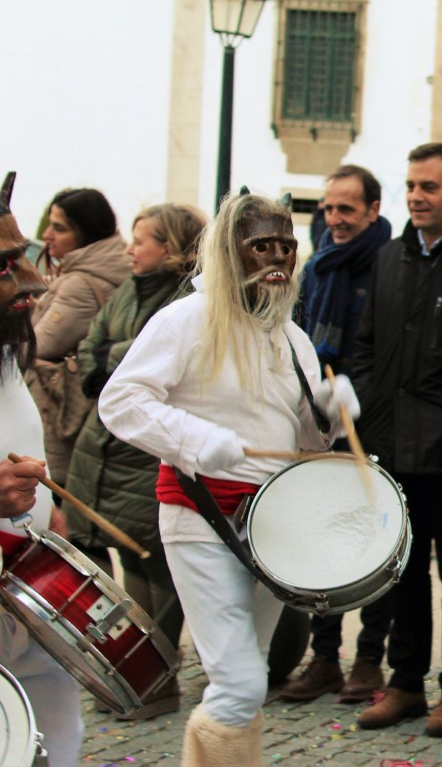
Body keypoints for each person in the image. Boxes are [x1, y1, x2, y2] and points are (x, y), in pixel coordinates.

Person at [98, 192, 350, 766]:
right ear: (229, 251)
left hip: (273, 525)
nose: (277, 258)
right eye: (262, 245)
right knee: (239, 684)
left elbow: (308, 444)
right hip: (200, 515)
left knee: (248, 677)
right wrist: (195, 441)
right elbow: (122, 402)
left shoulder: (291, 336)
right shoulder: (186, 318)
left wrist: (330, 414)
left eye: (287, 246)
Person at [351, 142, 442, 734]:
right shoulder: (389, 258)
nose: (416, 196)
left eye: (429, 187)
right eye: (411, 185)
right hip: (390, 438)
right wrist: (362, 397)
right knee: (402, 571)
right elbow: (367, 342)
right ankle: (406, 683)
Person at [64, 202, 206, 719]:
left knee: (158, 572)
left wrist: (112, 359)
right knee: (127, 570)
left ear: (167, 247)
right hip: (103, 444)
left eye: (141, 239)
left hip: (144, 451)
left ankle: (154, 678)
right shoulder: (127, 289)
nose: (130, 247)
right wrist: (112, 361)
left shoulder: (183, 300)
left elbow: (155, 364)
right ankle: (135, 675)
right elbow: (90, 350)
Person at [283, 164, 394, 705]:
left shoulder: (389, 264)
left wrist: (359, 391)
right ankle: (324, 656)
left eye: (346, 209)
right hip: (320, 420)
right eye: (328, 208)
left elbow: (389, 350)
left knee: (374, 540)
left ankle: (370, 658)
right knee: (323, 538)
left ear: (373, 210)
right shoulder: (318, 263)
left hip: (372, 421)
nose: (335, 219)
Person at [0, 174, 85, 767]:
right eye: (6, 269)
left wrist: (43, 511)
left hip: (22, 574)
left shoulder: (7, 349)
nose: (30, 284)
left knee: (52, 721)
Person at [26, 188, 130, 480]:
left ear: (85, 233)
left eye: (59, 228)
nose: (47, 235)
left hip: (58, 415)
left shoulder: (79, 285)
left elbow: (36, 346)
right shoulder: (99, 274)